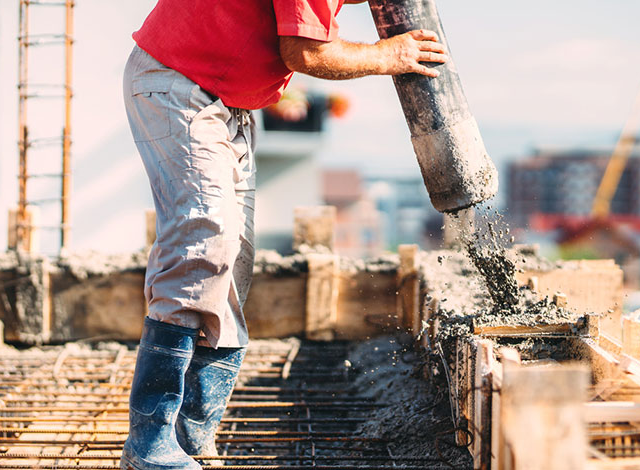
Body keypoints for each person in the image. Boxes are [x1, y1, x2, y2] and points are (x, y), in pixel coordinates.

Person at [120, 1, 447, 470]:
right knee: (205, 238)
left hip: (223, 101)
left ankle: (190, 435)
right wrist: (386, 55)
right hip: (176, 84)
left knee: (233, 260)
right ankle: (150, 444)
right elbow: (306, 53)